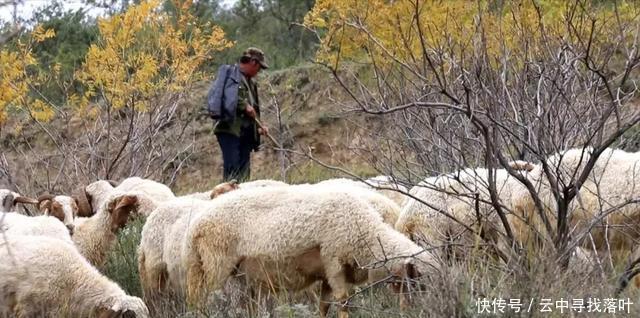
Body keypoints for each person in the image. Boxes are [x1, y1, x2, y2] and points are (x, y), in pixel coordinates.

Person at [207, 47, 269, 182]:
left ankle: (242, 198)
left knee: (244, 169)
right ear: (253, 62)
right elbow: (228, 97)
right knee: (232, 167)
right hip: (229, 128)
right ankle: (227, 198)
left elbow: (254, 108)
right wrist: (244, 105)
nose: (259, 71)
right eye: (259, 67)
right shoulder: (230, 74)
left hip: (245, 132)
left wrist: (260, 125)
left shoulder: (251, 83)